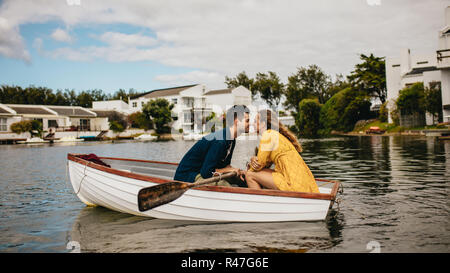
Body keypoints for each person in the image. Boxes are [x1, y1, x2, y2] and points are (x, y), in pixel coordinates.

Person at [241, 109, 319, 193]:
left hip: (292, 184)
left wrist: (246, 170)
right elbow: (264, 165)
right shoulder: (277, 135)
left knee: (249, 175)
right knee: (259, 172)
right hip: (305, 184)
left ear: (263, 124)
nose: (253, 124)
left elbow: (258, 165)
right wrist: (253, 160)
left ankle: (260, 204)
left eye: (256, 121)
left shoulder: (268, 134)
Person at [173, 105, 250, 187]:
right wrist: (230, 169)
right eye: (247, 121)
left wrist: (240, 171)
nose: (249, 124)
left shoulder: (231, 139)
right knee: (224, 185)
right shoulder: (220, 141)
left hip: (204, 171)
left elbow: (225, 166)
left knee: (243, 179)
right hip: (189, 175)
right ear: (237, 121)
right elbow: (206, 173)